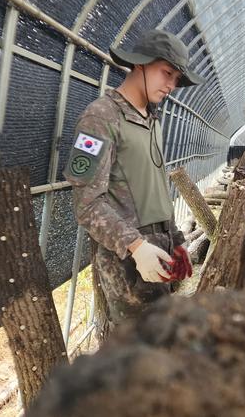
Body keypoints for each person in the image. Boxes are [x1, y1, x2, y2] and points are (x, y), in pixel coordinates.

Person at [63, 30, 202, 327]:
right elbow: (86, 204)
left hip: (159, 249)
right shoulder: (100, 118)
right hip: (127, 262)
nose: (171, 85)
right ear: (140, 64)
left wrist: (176, 242)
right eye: (167, 73)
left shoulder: (152, 120)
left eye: (177, 79)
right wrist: (136, 247)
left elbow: (155, 190)